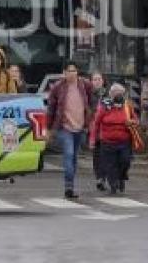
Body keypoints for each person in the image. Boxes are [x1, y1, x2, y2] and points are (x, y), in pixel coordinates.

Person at [45, 62, 93, 199]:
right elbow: (51, 109)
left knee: (74, 157)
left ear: (77, 72)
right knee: (68, 154)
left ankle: (70, 184)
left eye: (74, 71)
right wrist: (49, 129)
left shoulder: (85, 85)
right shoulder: (57, 87)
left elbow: (91, 101)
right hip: (64, 127)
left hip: (80, 126)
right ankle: (69, 187)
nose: (71, 74)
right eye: (69, 71)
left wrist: (90, 117)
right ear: (64, 73)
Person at [89, 83, 137, 195]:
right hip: (107, 141)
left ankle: (121, 177)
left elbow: (135, 120)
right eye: (116, 93)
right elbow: (96, 124)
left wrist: (132, 122)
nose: (119, 95)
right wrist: (93, 140)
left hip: (124, 141)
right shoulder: (104, 106)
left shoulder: (127, 106)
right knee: (110, 164)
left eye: (121, 93)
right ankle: (113, 184)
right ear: (111, 94)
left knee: (125, 161)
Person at [88, 72, 108, 191]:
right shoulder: (89, 95)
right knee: (97, 155)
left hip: (105, 128)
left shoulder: (108, 94)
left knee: (105, 153)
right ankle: (99, 177)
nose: (97, 81)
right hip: (94, 128)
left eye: (99, 79)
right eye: (94, 79)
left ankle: (103, 177)